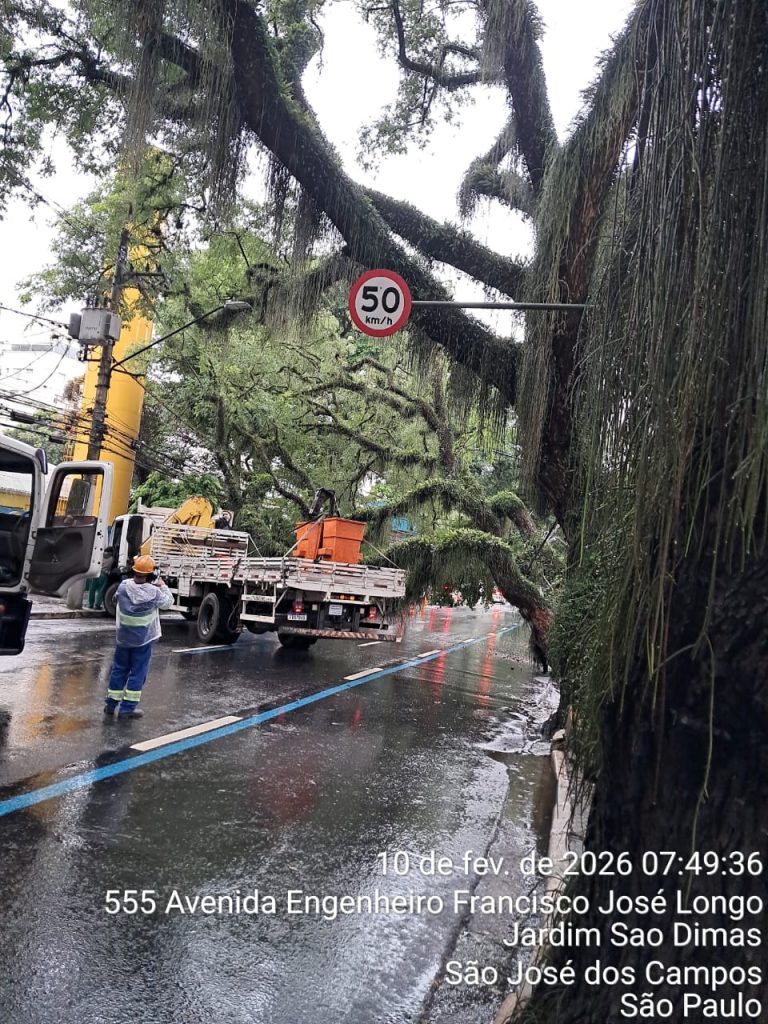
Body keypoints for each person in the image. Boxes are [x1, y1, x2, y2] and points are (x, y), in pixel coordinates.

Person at [103, 554, 174, 718]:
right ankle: (127, 708)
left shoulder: (123, 586)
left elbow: (115, 600)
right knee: (137, 673)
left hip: (123, 638)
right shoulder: (154, 592)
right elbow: (168, 603)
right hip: (143, 641)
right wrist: (162, 585)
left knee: (119, 670)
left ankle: (111, 704)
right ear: (150, 574)